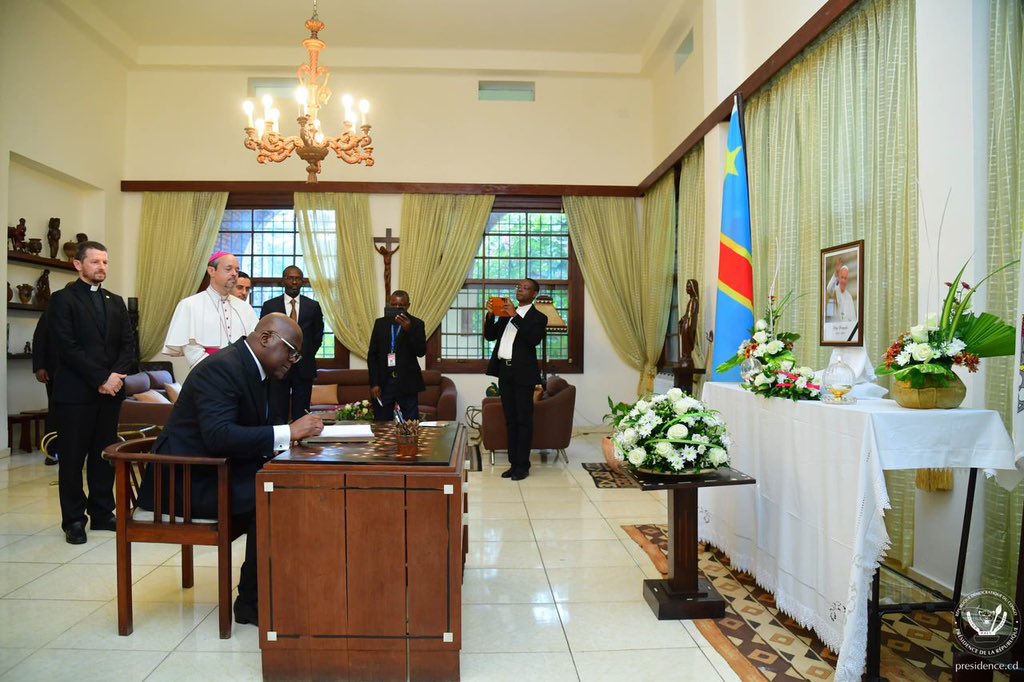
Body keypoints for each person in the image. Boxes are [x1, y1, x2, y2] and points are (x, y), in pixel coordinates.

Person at [138, 314, 324, 626]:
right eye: (291, 351)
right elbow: (219, 435)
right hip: (185, 481)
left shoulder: (254, 368)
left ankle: (274, 588)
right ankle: (251, 603)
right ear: (265, 339)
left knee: (285, 488)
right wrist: (288, 433)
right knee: (272, 498)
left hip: (218, 469)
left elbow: (250, 429)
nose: (293, 361)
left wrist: (289, 441)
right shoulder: (222, 368)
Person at [48, 241, 134, 544]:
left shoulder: (115, 301)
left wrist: (114, 378)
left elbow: (128, 344)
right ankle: (73, 519)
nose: (102, 268)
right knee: (72, 458)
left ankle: (102, 512)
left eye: (106, 262)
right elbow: (67, 347)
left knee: (104, 456)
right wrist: (101, 378)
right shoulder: (63, 300)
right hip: (76, 393)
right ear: (78, 265)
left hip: (110, 393)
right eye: (95, 262)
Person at [484, 278, 546, 481]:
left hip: (523, 374)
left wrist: (515, 316)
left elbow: (533, 339)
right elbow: (491, 336)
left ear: (534, 294)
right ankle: (513, 463)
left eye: (526, 288)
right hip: (505, 372)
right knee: (510, 420)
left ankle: (523, 465)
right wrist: (491, 315)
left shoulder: (538, 317)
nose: (520, 290)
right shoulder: (505, 314)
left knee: (523, 420)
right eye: (519, 287)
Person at [163, 251, 259, 367]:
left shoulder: (245, 308)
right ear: (211, 271)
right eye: (228, 269)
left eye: (237, 270)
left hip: (241, 372)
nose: (234, 274)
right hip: (207, 373)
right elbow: (191, 348)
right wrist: (216, 369)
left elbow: (254, 343)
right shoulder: (189, 305)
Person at [260, 266, 324, 421]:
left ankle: (300, 441)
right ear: (283, 281)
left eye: (298, 278)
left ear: (302, 282)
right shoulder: (270, 306)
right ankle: (279, 442)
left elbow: (317, 337)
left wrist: (303, 355)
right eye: (290, 278)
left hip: (303, 367)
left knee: (301, 412)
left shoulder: (313, 306)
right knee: (277, 410)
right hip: (277, 366)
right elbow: (264, 335)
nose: (294, 282)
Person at [367, 290, 426, 421]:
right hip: (384, 383)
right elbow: (372, 355)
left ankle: (409, 443)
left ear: (408, 305)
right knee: (382, 423)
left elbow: (421, 352)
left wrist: (409, 330)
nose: (397, 308)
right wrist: (374, 383)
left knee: (411, 424)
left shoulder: (416, 324)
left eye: (401, 305)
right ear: (389, 305)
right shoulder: (380, 324)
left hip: (407, 382)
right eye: (394, 305)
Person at [32, 309, 60, 465]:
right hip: (55, 372)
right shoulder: (50, 313)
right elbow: (39, 339)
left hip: (82, 375)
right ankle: (52, 452)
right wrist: (39, 367)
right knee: (55, 412)